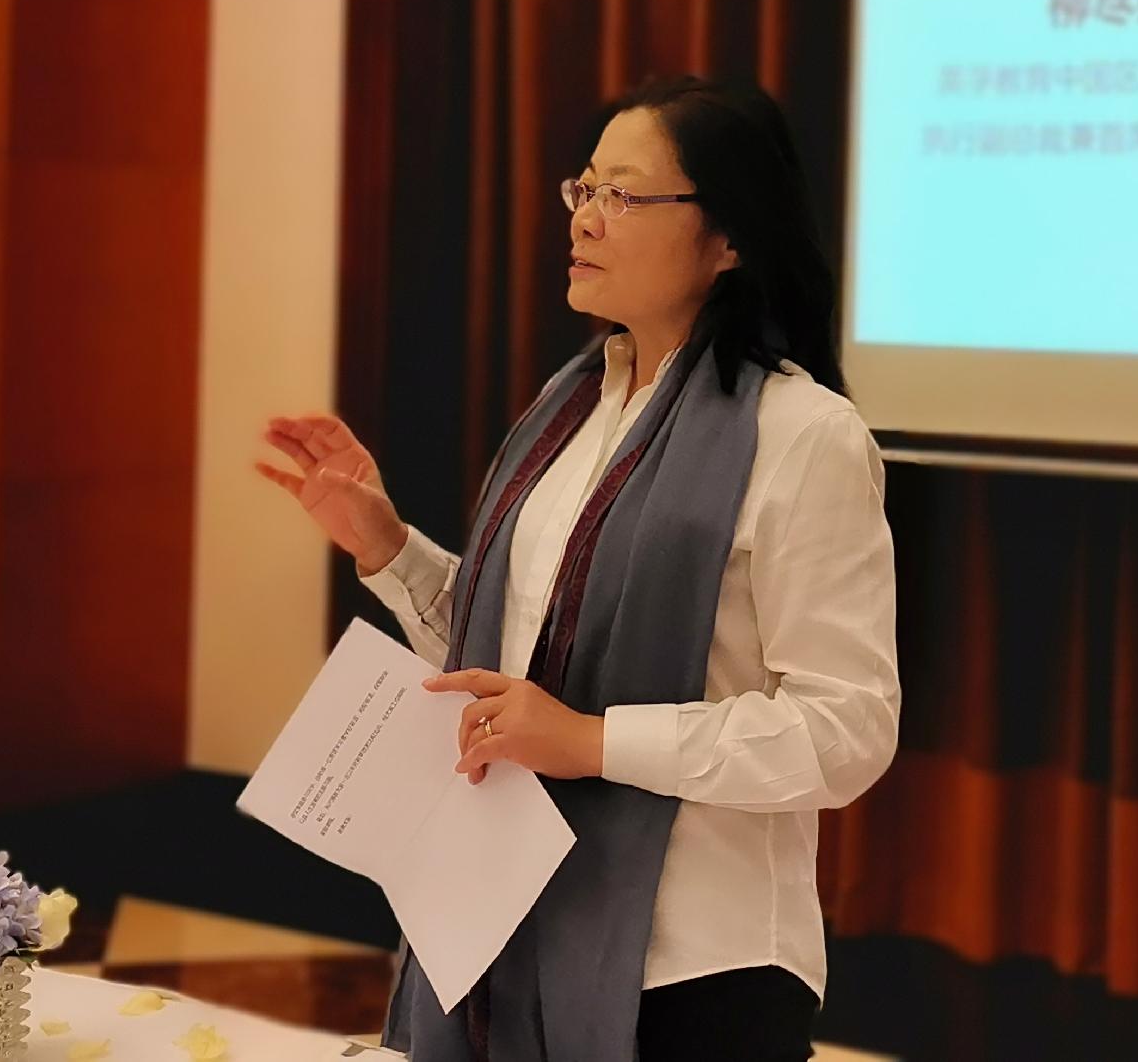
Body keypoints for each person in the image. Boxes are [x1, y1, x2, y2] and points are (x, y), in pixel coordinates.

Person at [255, 76, 900, 1062]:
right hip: (504, 922)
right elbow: (519, 666)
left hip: (696, 966)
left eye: (625, 196)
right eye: (585, 189)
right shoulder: (569, 412)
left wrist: (594, 742)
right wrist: (385, 546)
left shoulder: (805, 435)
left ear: (729, 238)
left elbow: (846, 729)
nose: (586, 219)